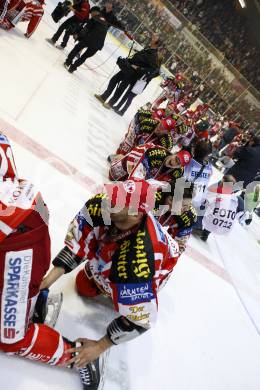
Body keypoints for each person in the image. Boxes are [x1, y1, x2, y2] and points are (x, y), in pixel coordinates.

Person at [39, 179, 180, 388]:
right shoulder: (103, 204)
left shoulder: (138, 262)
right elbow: (79, 242)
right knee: (84, 286)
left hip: (154, 266)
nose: (108, 200)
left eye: (118, 201)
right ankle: (106, 281)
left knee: (123, 297)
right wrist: (44, 284)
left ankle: (114, 292)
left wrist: (99, 347)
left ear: (135, 213)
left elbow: (140, 320)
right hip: (122, 248)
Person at [94, 33, 160, 109]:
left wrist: (138, 68)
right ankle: (104, 97)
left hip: (133, 74)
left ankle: (111, 103)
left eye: (154, 37)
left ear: (156, 43)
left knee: (121, 88)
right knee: (114, 80)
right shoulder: (148, 48)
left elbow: (152, 70)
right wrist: (129, 61)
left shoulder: (154, 55)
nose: (152, 37)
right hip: (128, 67)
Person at [64, 3, 126, 73]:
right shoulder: (100, 12)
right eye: (107, 4)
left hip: (92, 37)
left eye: (110, 5)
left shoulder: (109, 17)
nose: (108, 5)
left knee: (78, 48)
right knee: (83, 52)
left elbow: (87, 28)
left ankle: (68, 63)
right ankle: (72, 66)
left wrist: (78, 35)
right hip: (98, 41)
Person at [108, 143, 191, 181]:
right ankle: (120, 158)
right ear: (175, 153)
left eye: (178, 164)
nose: (174, 163)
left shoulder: (177, 173)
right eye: (176, 159)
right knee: (112, 176)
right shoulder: (157, 154)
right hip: (136, 161)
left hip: (147, 176)